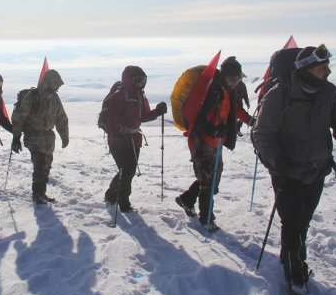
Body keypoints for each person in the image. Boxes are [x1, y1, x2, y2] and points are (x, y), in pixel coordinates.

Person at [252, 44, 336, 295]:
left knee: (302, 221)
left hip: (317, 170)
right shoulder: (280, 94)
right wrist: (277, 163)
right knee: (292, 221)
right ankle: (296, 273)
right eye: (321, 66)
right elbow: (262, 134)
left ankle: (289, 254)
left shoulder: (329, 93)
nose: (327, 70)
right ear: (306, 69)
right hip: (286, 170)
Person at [175, 56, 252, 230]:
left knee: (212, 179)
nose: (236, 82)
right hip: (202, 141)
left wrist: (250, 120)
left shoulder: (228, 90)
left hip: (217, 141)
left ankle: (186, 199)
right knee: (208, 182)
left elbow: (236, 109)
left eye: (238, 79)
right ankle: (206, 219)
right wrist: (212, 130)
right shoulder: (211, 91)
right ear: (225, 76)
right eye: (233, 78)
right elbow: (194, 116)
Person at [102, 66, 167, 213]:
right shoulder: (119, 96)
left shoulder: (140, 96)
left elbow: (143, 117)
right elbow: (112, 122)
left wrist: (157, 111)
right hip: (118, 141)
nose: (140, 83)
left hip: (133, 139)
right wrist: (120, 134)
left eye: (143, 80)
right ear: (129, 80)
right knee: (127, 171)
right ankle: (123, 202)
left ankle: (112, 194)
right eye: (137, 80)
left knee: (126, 171)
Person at [11, 69, 69, 204]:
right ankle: (38, 194)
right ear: (49, 82)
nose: (58, 87)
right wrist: (16, 137)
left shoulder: (54, 97)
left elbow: (61, 118)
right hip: (33, 136)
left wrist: (64, 136)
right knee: (40, 165)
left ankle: (40, 192)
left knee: (47, 165)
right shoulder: (32, 96)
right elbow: (18, 118)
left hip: (48, 137)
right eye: (57, 84)